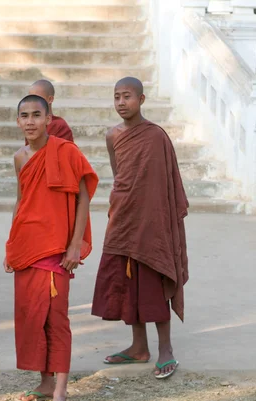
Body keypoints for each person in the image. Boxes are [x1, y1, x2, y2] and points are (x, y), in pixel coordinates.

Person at [91, 77, 189, 379]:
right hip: (123, 216)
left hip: (151, 220)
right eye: (117, 96)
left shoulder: (156, 136)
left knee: (154, 278)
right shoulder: (112, 135)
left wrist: (154, 214)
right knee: (126, 281)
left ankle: (165, 349)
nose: (122, 102)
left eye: (128, 97)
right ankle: (138, 347)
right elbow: (120, 175)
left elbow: (165, 181)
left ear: (141, 100)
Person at [4, 95, 98, 401]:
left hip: (57, 248)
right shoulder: (20, 157)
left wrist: (74, 246)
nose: (30, 121)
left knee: (56, 318)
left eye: (36, 115)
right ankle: (44, 382)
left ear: (48, 118)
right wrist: (11, 244)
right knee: (32, 316)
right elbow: (21, 201)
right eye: (24, 116)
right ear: (17, 121)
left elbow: (84, 197)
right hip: (27, 246)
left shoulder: (66, 151)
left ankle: (60, 388)